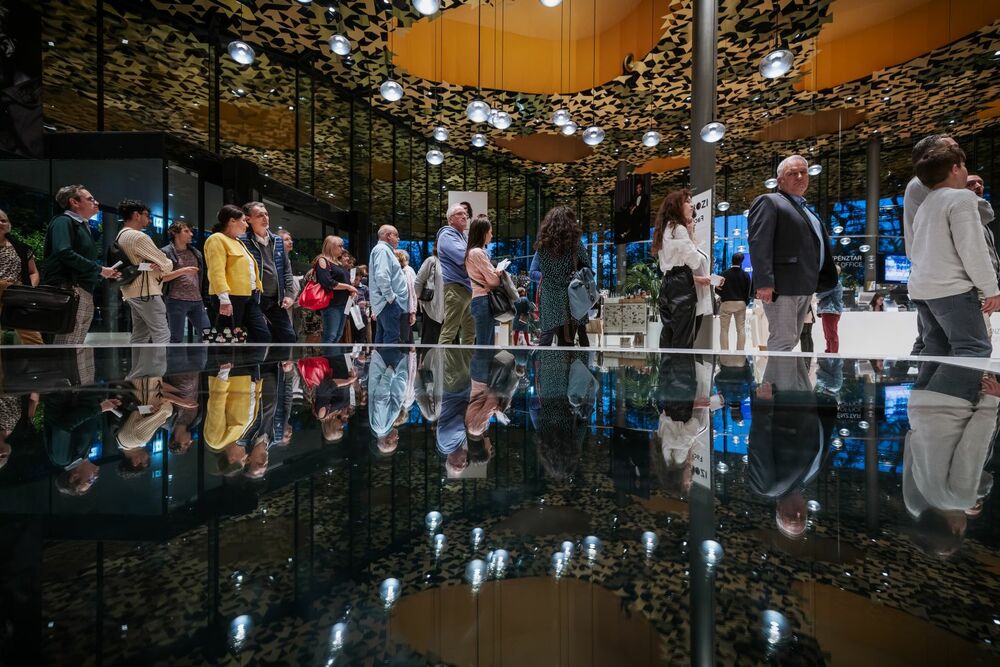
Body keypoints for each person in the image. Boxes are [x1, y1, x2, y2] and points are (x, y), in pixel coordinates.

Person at [908, 145, 1000, 357]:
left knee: (936, 348)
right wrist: (991, 290)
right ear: (955, 169)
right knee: (975, 349)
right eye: (964, 165)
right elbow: (972, 250)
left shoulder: (926, 205)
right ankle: (943, 390)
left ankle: (924, 390)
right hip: (952, 290)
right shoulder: (961, 199)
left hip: (923, 290)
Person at [748, 155, 837, 351]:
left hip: (804, 285)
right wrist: (764, 282)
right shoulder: (769, 201)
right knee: (783, 341)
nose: (799, 176)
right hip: (782, 285)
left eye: (803, 172)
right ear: (780, 181)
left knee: (791, 340)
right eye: (792, 173)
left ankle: (780, 382)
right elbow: (759, 242)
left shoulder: (806, 210)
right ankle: (778, 382)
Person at [40, 184, 121, 344]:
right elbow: (64, 252)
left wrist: (101, 271)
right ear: (74, 202)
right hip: (70, 288)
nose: (96, 202)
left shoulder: (81, 225)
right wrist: (98, 269)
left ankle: (71, 369)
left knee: (75, 340)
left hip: (81, 288)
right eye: (90, 199)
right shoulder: (64, 221)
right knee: (68, 341)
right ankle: (65, 369)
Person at [904, 134, 960, 355]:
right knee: (961, 345)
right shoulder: (928, 186)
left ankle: (923, 387)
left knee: (931, 339)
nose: (958, 153)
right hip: (940, 275)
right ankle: (928, 388)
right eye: (951, 148)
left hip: (928, 272)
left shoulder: (920, 187)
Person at [113, 200, 187, 345]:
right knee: (162, 334)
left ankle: (140, 368)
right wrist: (163, 264)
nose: (149, 220)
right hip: (146, 291)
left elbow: (135, 265)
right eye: (146, 215)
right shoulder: (138, 236)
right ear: (136, 215)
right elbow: (165, 263)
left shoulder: (121, 235)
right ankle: (158, 368)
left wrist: (149, 265)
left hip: (132, 290)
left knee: (140, 335)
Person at [653, 189, 714, 349]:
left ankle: (666, 373)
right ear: (676, 206)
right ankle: (682, 373)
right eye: (687, 201)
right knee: (683, 340)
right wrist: (689, 235)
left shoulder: (665, 229)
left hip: (667, 283)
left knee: (668, 335)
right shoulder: (678, 229)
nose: (691, 205)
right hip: (681, 284)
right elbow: (694, 261)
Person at [204, 204, 269, 342]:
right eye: (244, 220)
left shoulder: (239, 242)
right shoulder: (217, 239)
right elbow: (216, 272)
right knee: (227, 339)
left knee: (262, 336)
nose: (246, 225)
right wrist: (224, 299)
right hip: (229, 297)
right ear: (232, 221)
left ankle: (250, 363)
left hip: (248, 295)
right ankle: (223, 363)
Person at [240, 202, 296, 343]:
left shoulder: (277, 240)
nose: (265, 218)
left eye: (266, 214)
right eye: (260, 215)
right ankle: (261, 364)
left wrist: (289, 294)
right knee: (261, 337)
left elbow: (286, 270)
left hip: (276, 299)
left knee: (288, 336)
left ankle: (274, 365)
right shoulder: (242, 241)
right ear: (248, 219)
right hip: (255, 298)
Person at [535, 206, 591, 346]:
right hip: (571, 298)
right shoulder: (575, 244)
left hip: (549, 298)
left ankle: (544, 366)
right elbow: (587, 268)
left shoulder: (542, 245)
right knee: (567, 341)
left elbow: (542, 270)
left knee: (546, 339)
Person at [161, 221, 211, 343]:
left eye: (191, 231)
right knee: (176, 337)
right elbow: (160, 278)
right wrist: (182, 271)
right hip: (175, 300)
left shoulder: (196, 253)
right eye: (186, 231)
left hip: (197, 300)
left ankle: (199, 362)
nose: (191, 234)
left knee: (207, 335)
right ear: (175, 233)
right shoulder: (165, 252)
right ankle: (175, 362)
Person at [0, 207, 42, 344]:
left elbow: (33, 272)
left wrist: (29, 289)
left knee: (33, 337)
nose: (1, 223)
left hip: (15, 292)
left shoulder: (21, 248)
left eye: (3, 220)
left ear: (9, 225)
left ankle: (43, 364)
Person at [437, 203, 475, 345]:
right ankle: (441, 366)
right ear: (450, 219)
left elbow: (473, 255)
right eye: (459, 213)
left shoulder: (462, 237)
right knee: (449, 332)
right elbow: (463, 257)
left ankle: (465, 366)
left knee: (470, 332)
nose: (464, 216)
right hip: (456, 288)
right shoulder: (447, 235)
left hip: (467, 288)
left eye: (465, 214)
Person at [465, 215, 503, 346]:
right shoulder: (477, 252)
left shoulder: (474, 252)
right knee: (485, 346)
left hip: (481, 301)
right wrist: (497, 274)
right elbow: (493, 281)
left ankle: (482, 367)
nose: (491, 235)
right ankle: (481, 367)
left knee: (485, 343)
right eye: (490, 232)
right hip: (483, 301)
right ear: (483, 233)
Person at [313, 235, 357, 344]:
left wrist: (351, 290)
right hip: (332, 304)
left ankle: (331, 360)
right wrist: (348, 287)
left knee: (338, 335)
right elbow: (327, 283)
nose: (342, 249)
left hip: (344, 303)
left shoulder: (337, 263)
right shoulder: (322, 261)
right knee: (331, 335)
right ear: (331, 247)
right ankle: (326, 360)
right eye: (340, 246)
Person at [368, 225, 408, 345]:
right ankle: (387, 363)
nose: (399, 239)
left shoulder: (384, 250)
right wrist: (391, 297)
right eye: (396, 235)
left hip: (386, 303)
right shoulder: (382, 250)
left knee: (383, 337)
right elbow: (382, 276)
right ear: (388, 236)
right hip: (388, 303)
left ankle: (381, 363)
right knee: (391, 338)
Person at [716, 251, 751, 350]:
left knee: (724, 330)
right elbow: (749, 292)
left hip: (726, 303)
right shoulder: (746, 275)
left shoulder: (724, 274)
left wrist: (724, 296)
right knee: (741, 329)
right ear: (742, 262)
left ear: (732, 260)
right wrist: (745, 302)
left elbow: (717, 290)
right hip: (741, 303)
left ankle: (724, 352)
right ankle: (740, 352)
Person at [413, 248, 444, 344]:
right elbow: (418, 281)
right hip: (432, 307)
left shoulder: (452, 262)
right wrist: (421, 300)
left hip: (449, 308)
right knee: (430, 340)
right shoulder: (432, 261)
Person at [816, 265, 844, 353]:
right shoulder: (834, 282)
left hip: (831, 311)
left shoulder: (834, 283)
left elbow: (820, 295)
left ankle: (833, 354)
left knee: (831, 334)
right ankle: (829, 352)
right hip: (829, 311)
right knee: (828, 334)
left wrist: (817, 293)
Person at [394, 249, 417, 344]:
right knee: (406, 338)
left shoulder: (407, 271)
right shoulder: (400, 271)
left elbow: (412, 293)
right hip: (401, 309)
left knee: (404, 339)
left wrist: (412, 312)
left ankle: (407, 357)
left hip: (405, 310)